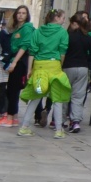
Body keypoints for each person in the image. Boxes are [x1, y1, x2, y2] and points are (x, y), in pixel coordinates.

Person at [17, 9, 68, 138]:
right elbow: (62, 52)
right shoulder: (62, 32)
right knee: (57, 98)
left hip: (39, 67)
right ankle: (58, 130)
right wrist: (60, 66)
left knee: (36, 96)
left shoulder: (38, 31)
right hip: (54, 66)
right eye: (63, 18)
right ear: (56, 18)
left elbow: (32, 52)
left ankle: (24, 127)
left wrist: (29, 70)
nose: (64, 20)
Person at [0, 5, 33, 126]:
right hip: (16, 58)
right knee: (12, 89)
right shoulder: (18, 28)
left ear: (27, 15)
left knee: (12, 90)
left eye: (23, 13)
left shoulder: (27, 28)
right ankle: (14, 117)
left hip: (20, 60)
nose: (20, 15)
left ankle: (10, 118)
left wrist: (14, 62)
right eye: (19, 13)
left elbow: (25, 46)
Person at [61, 14, 91, 134]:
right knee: (78, 96)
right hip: (83, 68)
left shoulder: (68, 36)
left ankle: (61, 120)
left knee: (64, 93)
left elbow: (62, 51)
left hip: (68, 67)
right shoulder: (88, 38)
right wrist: (84, 58)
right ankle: (75, 121)